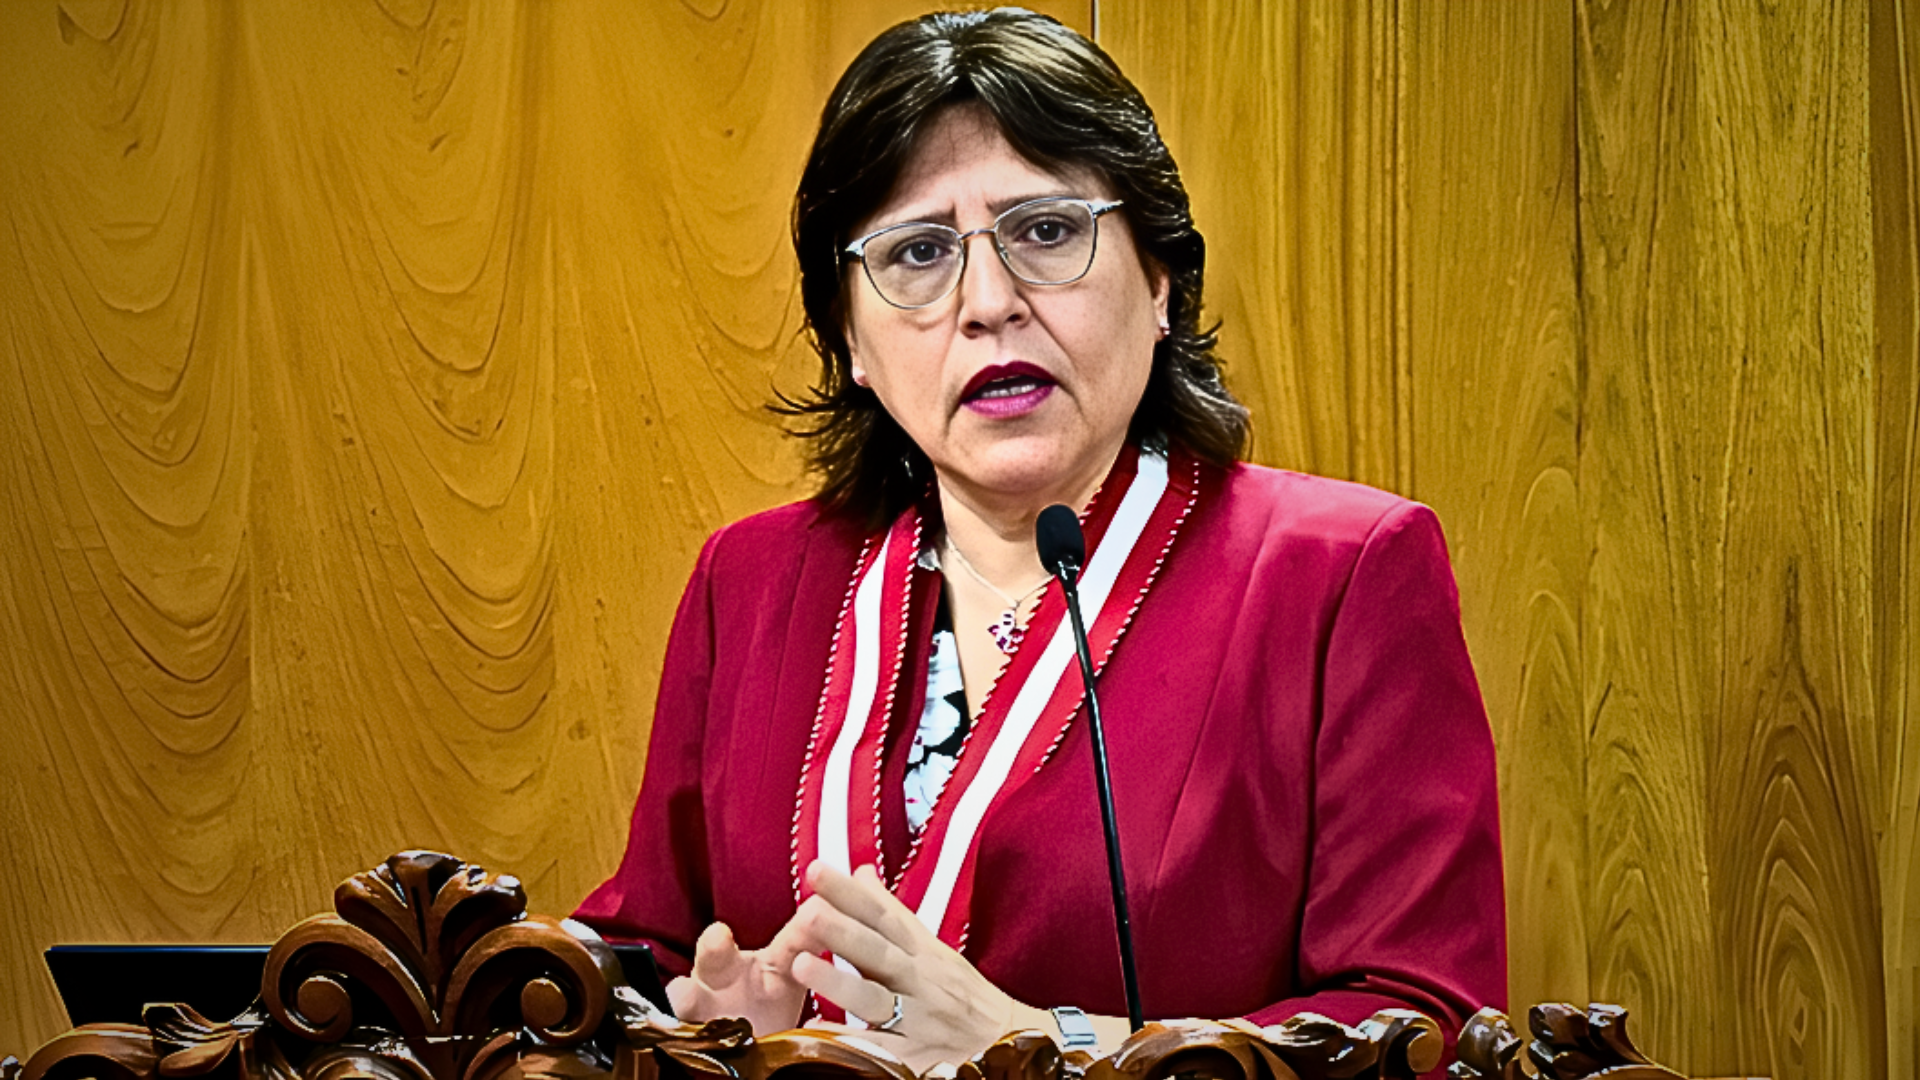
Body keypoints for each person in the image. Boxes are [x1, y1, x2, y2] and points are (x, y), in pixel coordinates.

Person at [576, 8, 1505, 1072]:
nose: (988, 303)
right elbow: (646, 945)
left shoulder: (1341, 573)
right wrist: (701, 1023)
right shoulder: (752, 581)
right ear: (851, 340)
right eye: (918, 252)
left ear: (1159, 281)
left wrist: (1050, 1051)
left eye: (1048, 231)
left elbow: (1423, 1027)